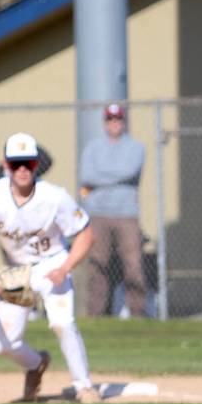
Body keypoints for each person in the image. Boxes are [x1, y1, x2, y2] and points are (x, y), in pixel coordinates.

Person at [0, 133, 100, 404]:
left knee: (62, 322)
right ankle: (36, 363)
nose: (23, 169)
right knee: (2, 344)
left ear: (37, 164)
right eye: (16, 164)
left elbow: (85, 235)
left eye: (28, 163)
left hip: (53, 263)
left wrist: (66, 267)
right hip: (16, 272)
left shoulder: (55, 197)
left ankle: (84, 386)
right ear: (6, 165)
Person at [78, 103, 147, 318]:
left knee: (133, 266)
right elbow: (86, 176)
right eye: (110, 119)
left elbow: (130, 170)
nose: (114, 123)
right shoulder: (93, 147)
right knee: (97, 266)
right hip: (98, 213)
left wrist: (101, 178)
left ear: (124, 122)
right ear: (104, 122)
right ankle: (96, 315)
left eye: (118, 119)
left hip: (127, 214)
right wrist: (116, 177)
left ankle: (137, 314)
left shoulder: (136, 147)